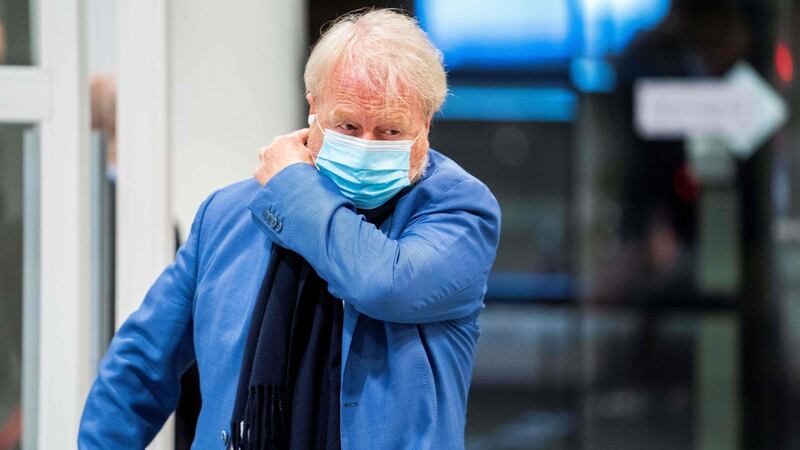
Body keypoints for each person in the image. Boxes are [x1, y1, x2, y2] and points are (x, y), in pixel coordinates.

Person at [78, 8, 500, 449]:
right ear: (313, 108)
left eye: (391, 130)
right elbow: (141, 363)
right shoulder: (227, 214)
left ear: (425, 125)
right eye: (348, 125)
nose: (366, 146)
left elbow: (381, 283)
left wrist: (294, 185)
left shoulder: (460, 211)